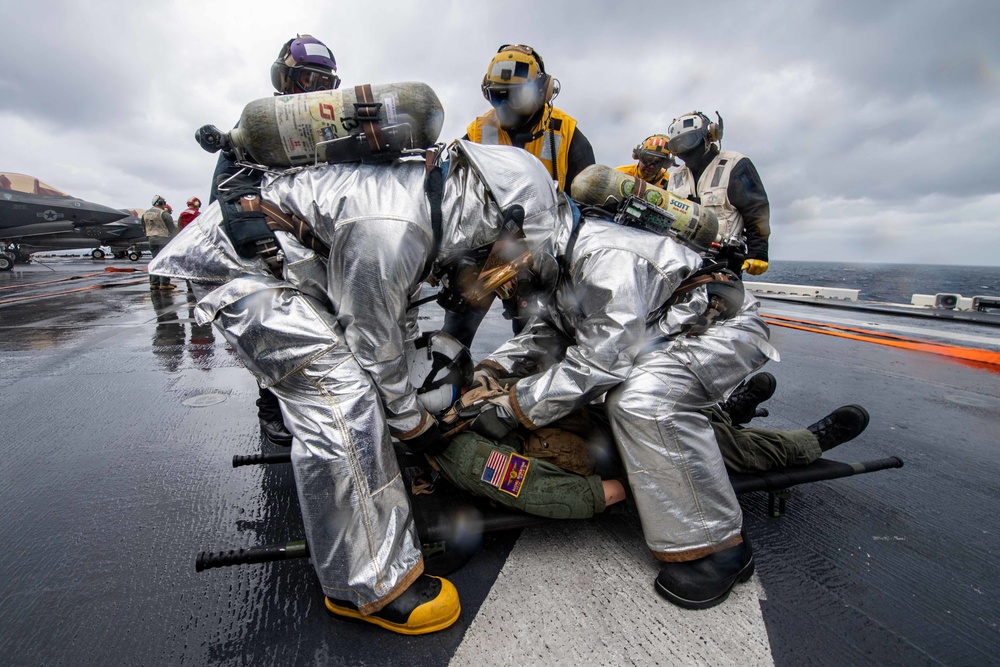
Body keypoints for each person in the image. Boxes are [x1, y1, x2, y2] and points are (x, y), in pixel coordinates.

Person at [148, 140, 585, 634]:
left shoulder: (428, 206)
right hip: (242, 270)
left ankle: (359, 486)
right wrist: (412, 424)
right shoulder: (399, 226)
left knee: (363, 387)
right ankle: (371, 586)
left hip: (273, 261)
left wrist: (401, 414)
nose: (501, 263)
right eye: (512, 247)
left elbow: (394, 322)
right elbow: (374, 339)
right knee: (339, 396)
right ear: (497, 212)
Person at [202, 34, 340, 449]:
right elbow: (225, 194)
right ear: (286, 80)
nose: (313, 92)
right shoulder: (257, 133)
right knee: (272, 326)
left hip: (326, 243)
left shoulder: (336, 130)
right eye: (306, 81)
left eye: (323, 84)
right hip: (277, 247)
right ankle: (272, 407)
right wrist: (259, 241)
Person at [444, 45, 596, 350]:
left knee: (535, 341)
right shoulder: (476, 134)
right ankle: (448, 384)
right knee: (453, 334)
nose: (505, 105)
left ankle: (525, 388)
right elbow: (452, 199)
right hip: (488, 253)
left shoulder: (567, 136)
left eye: (515, 95)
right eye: (497, 95)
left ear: (542, 90)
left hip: (543, 257)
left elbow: (588, 210)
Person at [666, 111, 771, 276]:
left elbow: (756, 208)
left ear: (710, 135)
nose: (684, 149)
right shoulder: (676, 176)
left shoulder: (734, 165)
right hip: (682, 262)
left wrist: (758, 251)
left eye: (689, 141)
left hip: (722, 263)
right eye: (678, 145)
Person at [142, 195, 177, 291]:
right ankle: (164, 284)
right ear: (161, 203)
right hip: (163, 239)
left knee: (155, 261)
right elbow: (172, 229)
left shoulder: (145, 214)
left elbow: (144, 228)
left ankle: (154, 283)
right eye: (164, 203)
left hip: (151, 239)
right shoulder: (164, 214)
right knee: (164, 261)